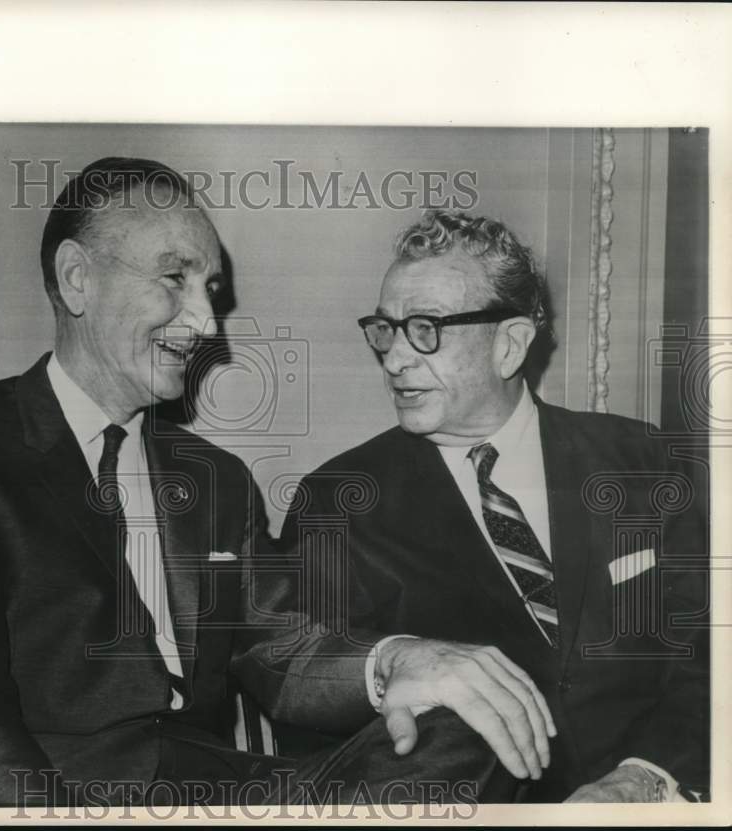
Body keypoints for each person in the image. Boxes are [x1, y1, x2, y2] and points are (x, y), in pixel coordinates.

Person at [0, 162, 530, 808]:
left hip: (219, 794)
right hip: (57, 791)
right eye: (175, 279)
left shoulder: (216, 480)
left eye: (210, 287)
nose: (203, 322)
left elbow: (282, 644)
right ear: (77, 278)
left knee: (471, 724)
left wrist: (397, 660)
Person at [279, 209, 709, 803]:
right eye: (385, 329)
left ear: (510, 344)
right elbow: (301, 692)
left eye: (425, 328)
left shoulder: (641, 461)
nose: (395, 359)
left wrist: (644, 779)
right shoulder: (337, 500)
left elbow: (709, 652)